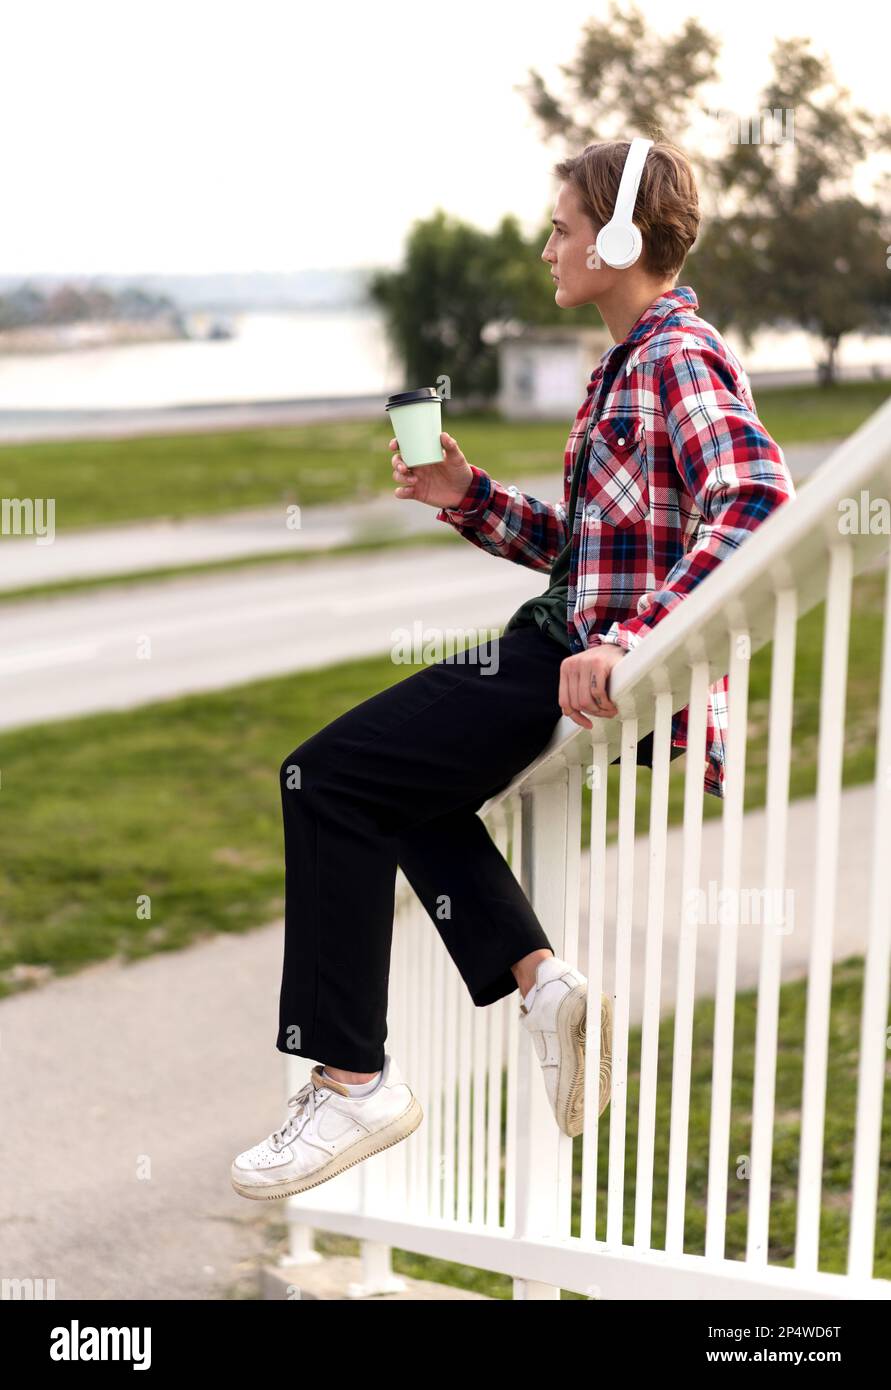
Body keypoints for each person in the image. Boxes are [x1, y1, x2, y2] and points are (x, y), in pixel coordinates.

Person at [231, 138, 795, 1201]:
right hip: (558, 635)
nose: (548, 249)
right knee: (394, 791)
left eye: (564, 229)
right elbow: (593, 548)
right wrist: (468, 493)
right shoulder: (627, 364)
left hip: (568, 653)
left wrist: (633, 639)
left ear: (622, 240)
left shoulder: (680, 353)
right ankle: (540, 982)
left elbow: (758, 501)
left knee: (328, 776)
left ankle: (351, 1077)